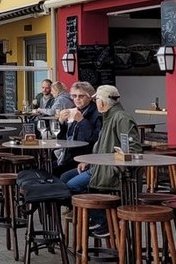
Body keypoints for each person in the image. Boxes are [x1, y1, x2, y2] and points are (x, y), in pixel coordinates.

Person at [60, 85, 140, 237]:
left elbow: (133, 149)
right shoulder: (108, 116)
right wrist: (90, 160)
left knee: (70, 187)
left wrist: (114, 165)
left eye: (96, 99)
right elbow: (102, 146)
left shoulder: (121, 118)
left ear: (101, 102)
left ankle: (105, 220)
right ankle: (92, 214)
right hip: (97, 165)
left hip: (110, 170)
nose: (95, 102)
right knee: (63, 179)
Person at [51, 81, 102, 177]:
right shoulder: (73, 110)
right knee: (46, 168)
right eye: (74, 96)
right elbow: (62, 139)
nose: (77, 99)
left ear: (90, 97)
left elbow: (95, 138)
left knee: (57, 173)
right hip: (69, 155)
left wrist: (81, 121)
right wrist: (61, 122)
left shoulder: (97, 113)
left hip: (85, 157)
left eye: (81, 96)